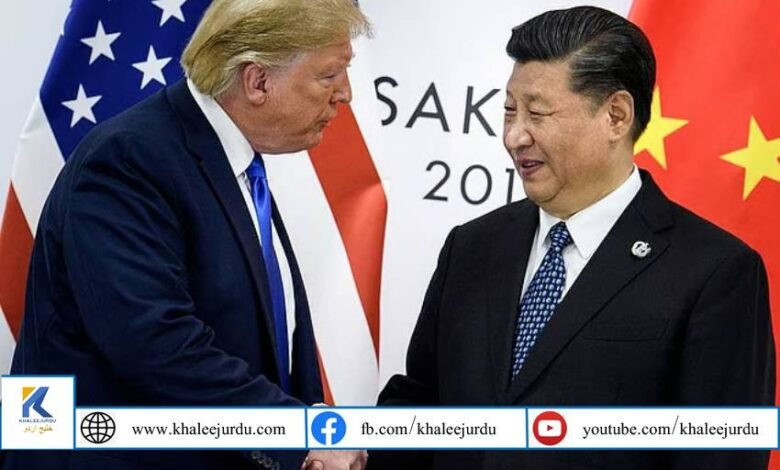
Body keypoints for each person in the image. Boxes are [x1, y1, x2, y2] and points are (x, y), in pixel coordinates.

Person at [371, 6, 774, 470]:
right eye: (509, 111)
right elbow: (422, 404)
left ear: (616, 116)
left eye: (537, 113)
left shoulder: (715, 272)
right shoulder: (472, 246)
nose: (514, 136)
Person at [3, 0, 370, 469]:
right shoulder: (129, 160)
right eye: (330, 75)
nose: (345, 94)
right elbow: (154, 343)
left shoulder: (232, 165)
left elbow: (262, 340)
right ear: (258, 81)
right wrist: (295, 432)